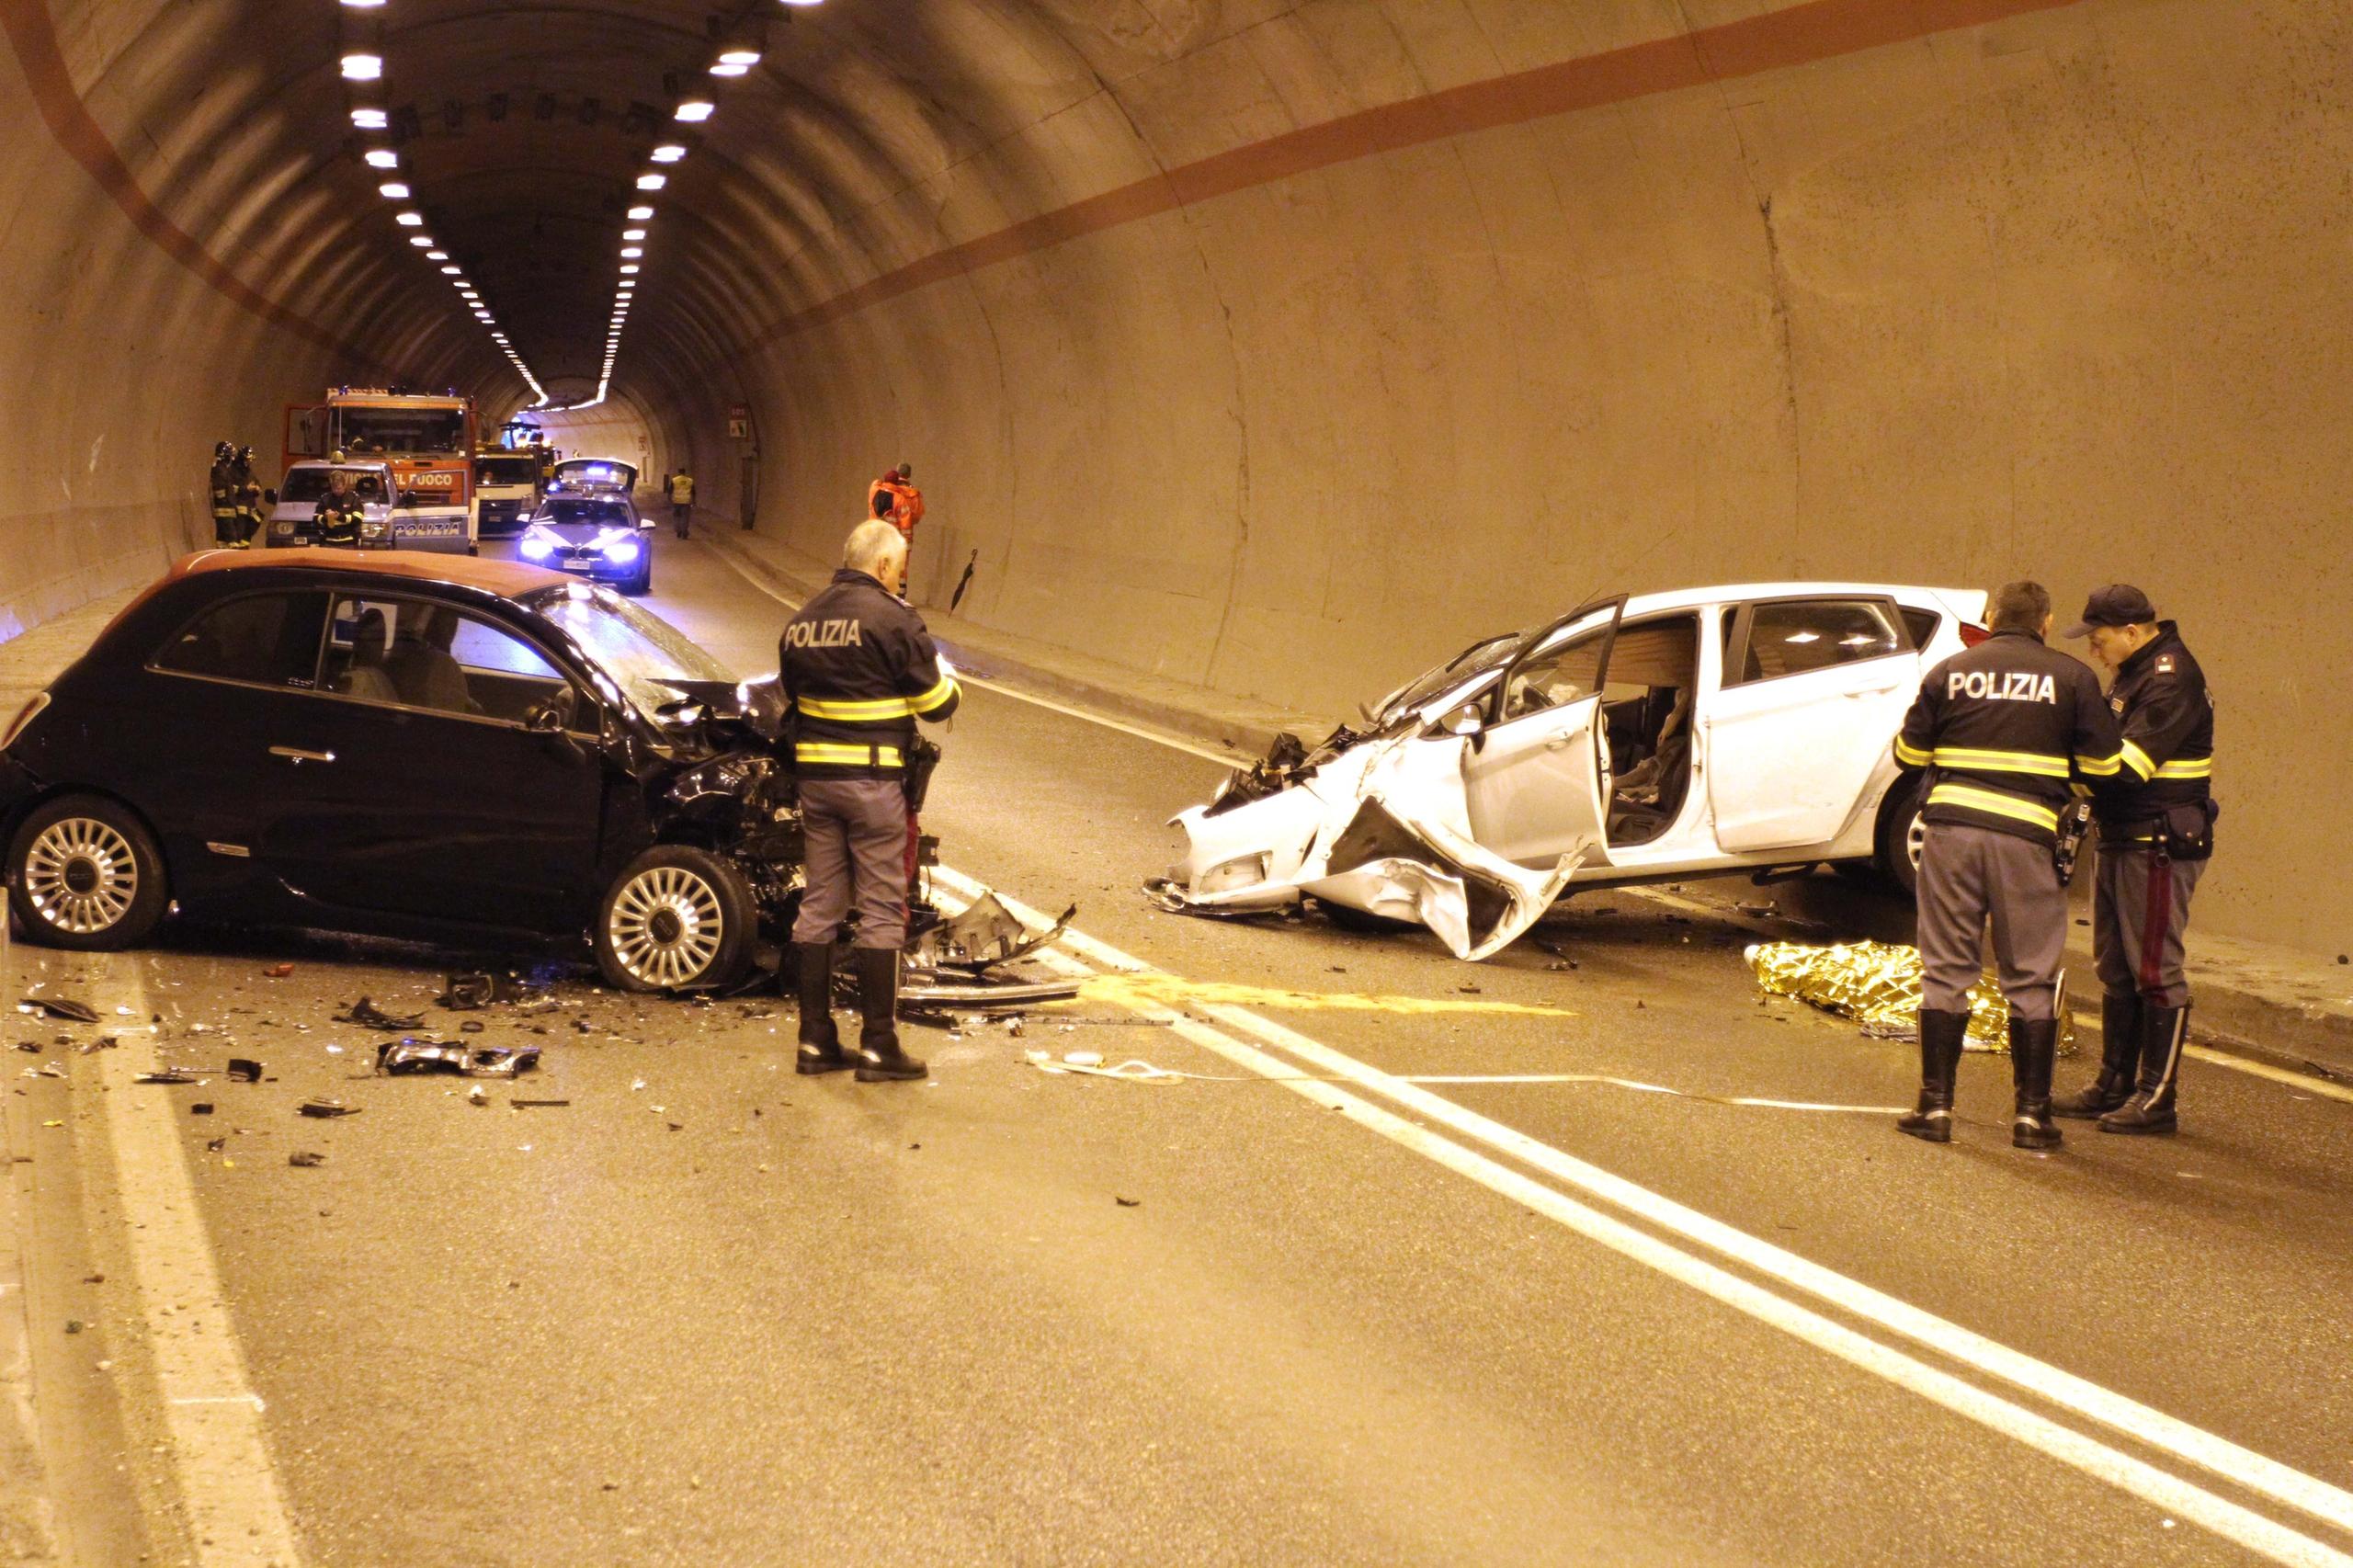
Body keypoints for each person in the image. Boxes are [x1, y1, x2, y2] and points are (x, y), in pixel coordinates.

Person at [1891, 580, 2125, 1150]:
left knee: (1946, 968)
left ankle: (1935, 1107)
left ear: (1991, 617)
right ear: (2045, 623)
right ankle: (2031, 1117)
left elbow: (1908, 755)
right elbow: (2106, 765)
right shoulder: (2073, 678)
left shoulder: (1950, 671)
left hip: (1951, 834)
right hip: (2026, 838)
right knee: (2030, 974)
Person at [781, 519, 961, 1082]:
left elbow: (793, 697)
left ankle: (815, 1042)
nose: (899, 578)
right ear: (883, 566)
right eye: (899, 567)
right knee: (882, 907)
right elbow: (935, 703)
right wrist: (951, 681)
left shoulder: (802, 622)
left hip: (816, 782)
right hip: (875, 785)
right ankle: (879, 1045)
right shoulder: (892, 618)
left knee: (821, 904)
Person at [2053, 585, 2217, 1134]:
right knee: (2115, 967)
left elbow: (2127, 767)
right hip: (2124, 835)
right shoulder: (2134, 671)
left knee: (2154, 970)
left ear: (2130, 631)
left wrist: (2062, 763)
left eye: (2098, 641)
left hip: (2158, 844)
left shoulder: (2170, 678)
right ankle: (2113, 1083)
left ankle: (2156, 1097)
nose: (2094, 652)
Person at [867, 462, 923, 542]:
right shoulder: (907, 496)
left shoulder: (876, 490)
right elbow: (915, 518)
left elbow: (876, 483)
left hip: (874, 532)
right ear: (909, 474)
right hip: (895, 536)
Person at [313, 468, 366, 547]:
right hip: (329, 541)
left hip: (349, 541)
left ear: (345, 485)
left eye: (339, 488)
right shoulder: (325, 498)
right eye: (334, 488)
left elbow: (358, 519)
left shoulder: (353, 498)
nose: (336, 491)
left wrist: (339, 517)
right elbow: (315, 519)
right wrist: (325, 518)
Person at [210, 443, 244, 548]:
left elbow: (227, 487)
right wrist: (228, 501)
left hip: (225, 509)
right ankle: (233, 561)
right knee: (232, 539)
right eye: (230, 455)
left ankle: (220, 559)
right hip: (225, 510)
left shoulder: (222, 468)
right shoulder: (220, 469)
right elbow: (220, 489)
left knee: (222, 540)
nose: (232, 458)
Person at [665, 467, 694, 539]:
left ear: (678, 472)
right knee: (685, 518)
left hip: (676, 501)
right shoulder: (690, 481)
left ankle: (678, 531)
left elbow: (670, 491)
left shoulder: (674, 480)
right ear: (685, 472)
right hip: (686, 501)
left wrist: (669, 499)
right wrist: (693, 501)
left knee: (677, 517)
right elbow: (693, 492)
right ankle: (684, 532)